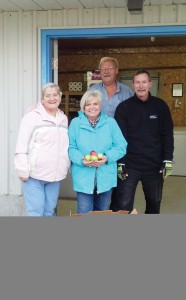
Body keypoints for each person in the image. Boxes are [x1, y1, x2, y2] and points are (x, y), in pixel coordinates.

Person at [110, 70, 174, 214]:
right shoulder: (124, 108)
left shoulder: (161, 106)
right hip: (130, 166)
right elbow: (119, 138)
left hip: (154, 165)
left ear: (150, 84)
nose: (141, 86)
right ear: (133, 85)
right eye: (137, 82)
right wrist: (120, 162)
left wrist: (167, 159)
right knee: (122, 205)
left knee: (154, 204)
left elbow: (167, 135)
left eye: (144, 82)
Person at [14, 83, 70, 216]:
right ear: (42, 99)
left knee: (49, 211)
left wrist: (65, 165)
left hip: (54, 175)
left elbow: (63, 146)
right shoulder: (31, 117)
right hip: (34, 175)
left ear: (60, 97)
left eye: (55, 95)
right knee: (36, 212)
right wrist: (22, 169)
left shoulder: (63, 118)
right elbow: (21, 144)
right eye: (48, 95)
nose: (52, 98)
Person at [68, 90, 127, 214]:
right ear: (83, 107)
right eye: (88, 104)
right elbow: (71, 148)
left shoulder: (111, 123)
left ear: (100, 106)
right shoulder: (75, 123)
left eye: (95, 104)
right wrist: (81, 159)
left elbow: (121, 146)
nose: (92, 107)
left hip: (105, 177)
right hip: (83, 177)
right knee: (84, 212)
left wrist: (107, 157)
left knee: (102, 212)